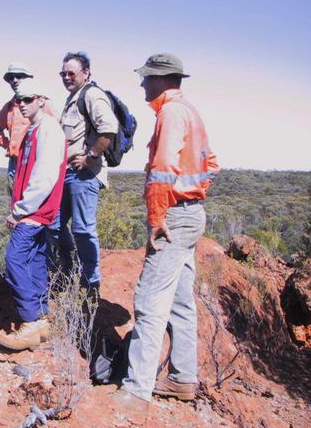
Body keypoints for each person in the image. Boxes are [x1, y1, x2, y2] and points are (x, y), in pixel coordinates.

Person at [112, 54, 220, 416]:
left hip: (174, 216)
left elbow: (162, 169)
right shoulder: (190, 111)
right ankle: (182, 378)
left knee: (150, 300)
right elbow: (212, 164)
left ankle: (136, 391)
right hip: (191, 214)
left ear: (161, 79)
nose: (142, 85)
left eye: (146, 79)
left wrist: (158, 216)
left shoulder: (172, 114)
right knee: (180, 301)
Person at [0, 79, 67, 351]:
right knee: (36, 260)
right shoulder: (34, 130)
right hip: (35, 210)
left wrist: (20, 210)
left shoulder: (49, 130)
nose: (22, 105)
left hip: (36, 210)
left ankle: (29, 322)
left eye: (28, 100)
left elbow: (45, 176)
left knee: (14, 259)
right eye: (19, 101)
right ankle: (42, 319)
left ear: (41, 100)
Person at [48, 51, 118, 295]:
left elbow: (109, 129)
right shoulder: (72, 98)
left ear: (85, 73)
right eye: (63, 73)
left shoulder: (92, 95)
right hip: (66, 173)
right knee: (53, 223)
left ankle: (91, 282)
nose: (66, 77)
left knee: (83, 228)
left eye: (71, 73)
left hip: (84, 174)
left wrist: (91, 157)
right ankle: (67, 269)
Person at [0, 62, 55, 193]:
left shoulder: (42, 102)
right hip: (16, 162)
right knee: (16, 204)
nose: (14, 80)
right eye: (11, 78)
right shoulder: (10, 106)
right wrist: (8, 145)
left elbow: (58, 130)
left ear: (28, 78)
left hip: (37, 162)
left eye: (19, 76)